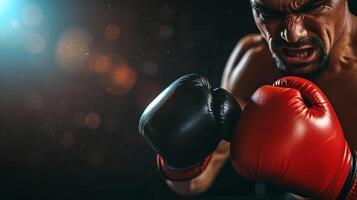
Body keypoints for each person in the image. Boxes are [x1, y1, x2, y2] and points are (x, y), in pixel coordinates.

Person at [139, 0, 357, 199]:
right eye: (267, 12)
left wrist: (344, 179)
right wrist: (180, 161)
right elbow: (194, 184)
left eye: (313, 7)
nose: (292, 35)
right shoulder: (252, 63)